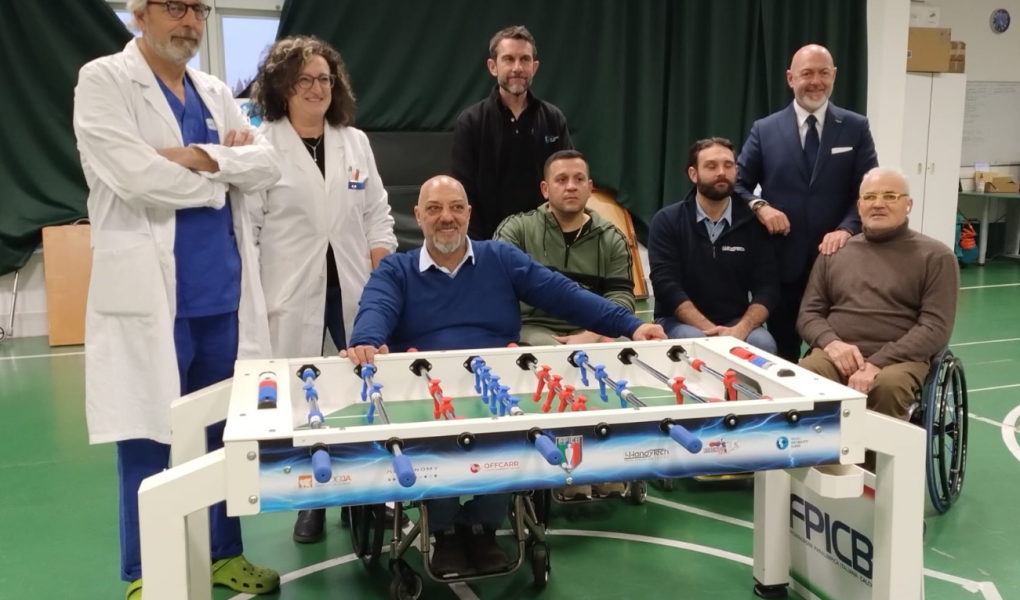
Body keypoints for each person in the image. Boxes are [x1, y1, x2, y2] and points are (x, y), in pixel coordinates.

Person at [345, 175, 665, 575]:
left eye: (456, 207)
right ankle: (442, 530)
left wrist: (631, 325)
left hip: (500, 391)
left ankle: (482, 527)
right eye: (435, 209)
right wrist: (366, 340)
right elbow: (376, 307)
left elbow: (565, 295)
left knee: (514, 440)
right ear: (417, 216)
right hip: (427, 397)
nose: (447, 217)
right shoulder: (396, 269)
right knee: (432, 445)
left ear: (469, 213)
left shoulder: (500, 257)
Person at [72, 1, 281, 598]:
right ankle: (146, 572)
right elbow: (136, 175)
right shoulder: (104, 81)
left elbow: (265, 164)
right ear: (140, 13)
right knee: (147, 435)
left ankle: (223, 555)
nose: (189, 20)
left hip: (223, 294)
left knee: (224, 434)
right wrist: (224, 170)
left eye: (198, 9)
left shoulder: (215, 90)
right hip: (150, 300)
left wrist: (198, 156)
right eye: (174, 6)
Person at [246, 35, 398, 544]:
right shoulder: (262, 146)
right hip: (290, 293)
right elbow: (248, 229)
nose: (316, 88)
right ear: (282, 87)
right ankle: (309, 501)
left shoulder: (353, 142)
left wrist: (384, 280)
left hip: (354, 289)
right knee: (301, 398)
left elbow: (378, 215)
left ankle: (366, 493)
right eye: (304, 79)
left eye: (324, 79)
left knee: (360, 389)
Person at [736, 44, 879, 362]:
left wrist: (848, 227)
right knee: (782, 349)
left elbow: (868, 190)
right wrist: (761, 206)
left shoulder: (856, 128)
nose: (816, 81)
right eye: (807, 73)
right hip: (782, 263)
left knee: (832, 350)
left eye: (823, 73)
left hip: (838, 264)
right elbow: (738, 184)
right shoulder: (765, 129)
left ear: (834, 76)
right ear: (790, 78)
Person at [797, 167, 959, 420]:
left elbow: (935, 327)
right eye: (870, 198)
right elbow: (809, 314)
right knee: (806, 374)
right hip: (836, 354)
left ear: (908, 204)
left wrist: (877, 363)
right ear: (859, 206)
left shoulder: (937, 256)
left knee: (888, 387)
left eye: (890, 196)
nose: (879, 204)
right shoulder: (835, 252)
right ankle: (821, 458)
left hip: (899, 360)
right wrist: (832, 343)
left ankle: (874, 460)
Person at [649, 138, 780, 354]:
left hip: (736, 322)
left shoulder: (753, 224)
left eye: (728, 166)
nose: (721, 172)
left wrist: (740, 329)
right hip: (677, 322)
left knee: (763, 344)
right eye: (711, 166)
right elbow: (666, 286)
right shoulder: (667, 221)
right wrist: (711, 331)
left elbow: (768, 288)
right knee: (697, 343)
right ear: (693, 174)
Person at [493, 149, 635, 347]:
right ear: (545, 189)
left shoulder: (613, 238)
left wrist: (592, 333)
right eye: (561, 180)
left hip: (593, 329)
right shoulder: (516, 230)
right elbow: (497, 290)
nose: (571, 187)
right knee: (552, 354)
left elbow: (621, 297)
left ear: (589, 187)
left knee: (627, 344)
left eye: (579, 179)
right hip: (532, 328)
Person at [451, 25, 573, 241]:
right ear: (493, 66)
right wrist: (480, 251)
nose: (517, 67)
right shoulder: (471, 122)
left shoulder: (554, 119)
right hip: (489, 247)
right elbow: (464, 194)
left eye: (525, 59)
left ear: (534, 67)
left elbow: (566, 183)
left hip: (546, 248)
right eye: (508, 59)